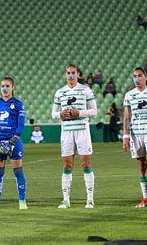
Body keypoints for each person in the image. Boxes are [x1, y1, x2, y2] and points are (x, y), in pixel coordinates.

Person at [52, 64, 98, 209]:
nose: (70, 75)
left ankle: (90, 199)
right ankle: (66, 199)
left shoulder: (86, 90)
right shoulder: (60, 92)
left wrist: (80, 113)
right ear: (65, 75)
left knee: (85, 164)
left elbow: (94, 111)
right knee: (67, 165)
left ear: (78, 74)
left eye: (73, 73)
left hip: (82, 131)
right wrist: (60, 114)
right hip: (66, 132)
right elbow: (53, 114)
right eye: (68, 73)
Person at [122, 67, 147, 208]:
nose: (136, 78)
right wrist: (125, 136)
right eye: (134, 76)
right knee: (141, 167)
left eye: (139, 75)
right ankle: (145, 199)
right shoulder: (129, 95)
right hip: (135, 134)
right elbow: (127, 117)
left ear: (146, 77)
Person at [0, 77, 27, 210]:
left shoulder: (18, 104)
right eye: (2, 86)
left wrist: (14, 139)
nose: (4, 88)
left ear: (12, 87)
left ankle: (22, 201)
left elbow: (21, 124)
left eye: (7, 86)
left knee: (18, 172)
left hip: (14, 143)